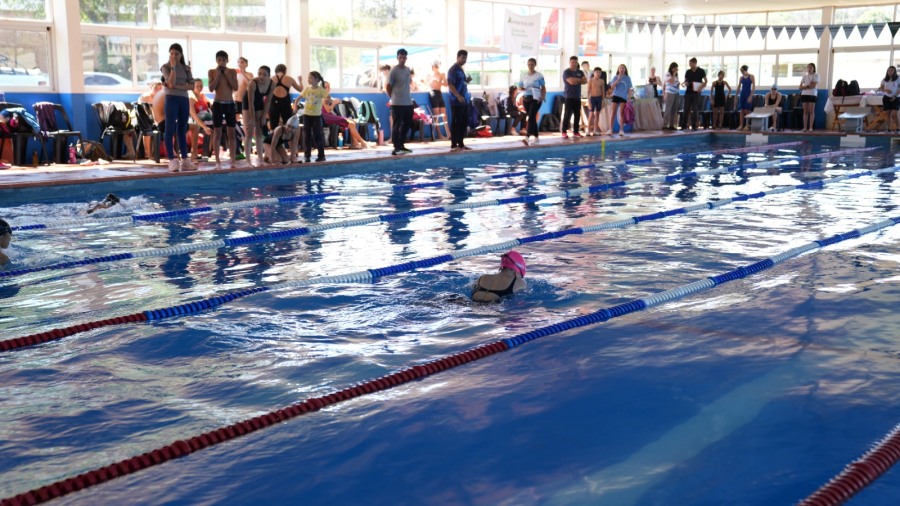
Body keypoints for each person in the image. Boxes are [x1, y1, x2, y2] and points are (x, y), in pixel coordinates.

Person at [160, 43, 195, 172]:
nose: (174, 56)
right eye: (171, 54)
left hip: (183, 99)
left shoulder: (186, 68)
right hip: (171, 99)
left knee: (182, 130)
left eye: (176, 54)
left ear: (181, 55)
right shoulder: (165, 67)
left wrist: (177, 86)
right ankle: (172, 160)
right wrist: (173, 68)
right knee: (169, 129)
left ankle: (185, 160)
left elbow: (192, 86)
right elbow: (170, 83)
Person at [207, 50, 241, 168]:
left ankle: (233, 160)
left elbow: (235, 87)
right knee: (217, 133)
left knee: (231, 133)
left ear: (227, 61)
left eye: (223, 60)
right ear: (216, 61)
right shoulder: (212, 72)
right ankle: (217, 161)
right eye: (219, 60)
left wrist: (226, 74)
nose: (221, 62)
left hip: (229, 104)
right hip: (217, 104)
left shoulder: (232, 71)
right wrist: (217, 75)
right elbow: (211, 88)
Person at [243, 65, 275, 167]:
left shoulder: (272, 84)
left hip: (259, 103)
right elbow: (250, 103)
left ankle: (260, 159)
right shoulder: (252, 83)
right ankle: (248, 161)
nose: (261, 76)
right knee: (249, 132)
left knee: (259, 132)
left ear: (269, 76)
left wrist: (264, 117)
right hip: (248, 104)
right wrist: (252, 120)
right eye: (260, 74)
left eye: (264, 75)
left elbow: (268, 102)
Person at [386, 48, 414, 156]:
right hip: (397, 103)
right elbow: (388, 86)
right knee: (397, 125)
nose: (402, 59)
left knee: (407, 123)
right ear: (397, 57)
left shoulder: (407, 70)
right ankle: (396, 147)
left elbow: (408, 84)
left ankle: (401, 145)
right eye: (400, 57)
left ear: (406, 58)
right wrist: (393, 97)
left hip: (408, 102)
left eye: (404, 57)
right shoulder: (394, 70)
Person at [300, 71, 329, 163]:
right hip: (306, 115)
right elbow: (299, 97)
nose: (309, 79)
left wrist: (328, 101)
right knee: (306, 136)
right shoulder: (307, 89)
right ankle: (307, 156)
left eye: (311, 78)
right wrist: (295, 105)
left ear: (317, 79)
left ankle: (321, 155)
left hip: (316, 116)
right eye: (308, 78)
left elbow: (328, 97)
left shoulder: (320, 90)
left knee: (318, 135)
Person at [447, 49, 471, 151]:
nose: (464, 60)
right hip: (456, 101)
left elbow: (460, 83)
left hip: (464, 100)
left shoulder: (461, 70)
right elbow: (450, 84)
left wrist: (467, 81)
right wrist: (458, 96)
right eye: (462, 58)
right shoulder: (453, 70)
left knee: (463, 123)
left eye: (465, 58)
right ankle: (453, 144)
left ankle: (461, 143)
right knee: (456, 122)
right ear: (457, 57)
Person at [519, 57, 546, 146]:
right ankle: (536, 138)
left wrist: (542, 97)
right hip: (526, 98)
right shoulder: (523, 75)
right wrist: (522, 88)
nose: (530, 66)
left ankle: (527, 137)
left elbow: (543, 88)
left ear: (535, 65)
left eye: (532, 64)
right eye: (529, 64)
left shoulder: (539, 75)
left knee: (531, 117)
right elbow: (520, 86)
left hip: (536, 99)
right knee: (532, 118)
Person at [269, 64, 303, 129]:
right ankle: (286, 135)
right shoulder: (289, 79)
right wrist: (300, 81)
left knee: (273, 125)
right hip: (285, 102)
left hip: (274, 102)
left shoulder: (271, 79)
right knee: (287, 124)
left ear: (276, 70)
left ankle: (274, 135)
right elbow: (300, 89)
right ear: (285, 71)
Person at [561, 55, 587, 139]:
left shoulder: (580, 72)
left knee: (577, 115)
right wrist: (579, 80)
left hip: (577, 97)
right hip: (569, 97)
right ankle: (564, 131)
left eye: (576, 62)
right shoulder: (566, 72)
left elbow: (585, 81)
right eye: (572, 62)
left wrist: (576, 80)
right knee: (567, 115)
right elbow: (571, 82)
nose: (574, 64)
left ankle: (576, 132)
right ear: (569, 62)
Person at [187, 79, 213, 164]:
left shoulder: (202, 96)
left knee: (219, 126)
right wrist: (204, 127)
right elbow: (193, 115)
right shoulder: (191, 98)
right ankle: (203, 154)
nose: (199, 88)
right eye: (197, 86)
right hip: (196, 121)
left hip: (206, 120)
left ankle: (210, 152)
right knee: (209, 129)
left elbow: (210, 103)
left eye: (201, 86)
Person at [137, 78, 163, 159]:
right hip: (141, 120)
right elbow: (145, 113)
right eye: (156, 88)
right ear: (151, 87)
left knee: (168, 126)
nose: (158, 90)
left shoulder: (160, 97)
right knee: (148, 129)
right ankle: (147, 153)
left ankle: (168, 152)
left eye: (160, 88)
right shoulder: (146, 97)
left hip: (152, 120)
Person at [607, 64, 633, 138]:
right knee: (613, 112)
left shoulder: (627, 78)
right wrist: (618, 80)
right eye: (620, 68)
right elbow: (611, 87)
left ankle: (621, 130)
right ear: (618, 70)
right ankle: (610, 129)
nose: (622, 69)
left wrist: (629, 97)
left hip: (623, 97)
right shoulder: (615, 77)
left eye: (623, 68)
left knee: (621, 113)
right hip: (615, 96)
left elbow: (629, 89)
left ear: (625, 70)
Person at [681, 57, 706, 131]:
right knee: (686, 109)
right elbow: (686, 80)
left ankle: (694, 125)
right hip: (688, 92)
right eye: (689, 63)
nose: (689, 65)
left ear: (695, 63)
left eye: (691, 63)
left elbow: (705, 81)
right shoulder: (688, 72)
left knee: (695, 109)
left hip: (696, 93)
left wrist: (701, 87)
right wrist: (685, 83)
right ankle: (684, 125)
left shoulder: (701, 71)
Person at [428, 60, 449, 139]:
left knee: (444, 114)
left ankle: (448, 133)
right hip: (433, 93)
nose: (435, 68)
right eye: (434, 66)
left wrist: (439, 82)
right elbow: (428, 85)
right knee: (436, 115)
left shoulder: (441, 74)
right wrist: (433, 81)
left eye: (436, 66)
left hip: (439, 93)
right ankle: (439, 134)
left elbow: (446, 84)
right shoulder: (429, 75)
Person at [799, 62, 819, 132]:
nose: (809, 69)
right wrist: (807, 86)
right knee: (805, 111)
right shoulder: (804, 76)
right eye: (808, 67)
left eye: (811, 67)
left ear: (814, 68)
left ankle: (810, 127)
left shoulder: (816, 75)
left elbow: (813, 86)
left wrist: (805, 87)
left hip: (812, 94)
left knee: (811, 111)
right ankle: (804, 127)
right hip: (804, 94)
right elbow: (800, 87)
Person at [879, 65, 899, 133]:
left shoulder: (898, 78)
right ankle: (888, 129)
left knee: (895, 114)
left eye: (892, 71)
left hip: (896, 97)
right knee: (888, 114)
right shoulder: (884, 80)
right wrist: (886, 90)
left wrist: (894, 96)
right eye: (889, 71)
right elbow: (880, 88)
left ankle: (898, 128)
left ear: (894, 72)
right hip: (886, 98)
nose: (890, 72)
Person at [586, 67, 605, 136]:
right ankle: (588, 130)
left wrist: (603, 100)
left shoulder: (602, 81)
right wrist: (588, 101)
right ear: (594, 73)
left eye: (599, 72)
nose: (598, 74)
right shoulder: (590, 80)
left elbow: (603, 91)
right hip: (592, 98)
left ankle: (595, 130)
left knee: (597, 114)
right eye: (597, 72)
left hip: (599, 98)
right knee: (591, 114)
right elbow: (588, 91)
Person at [737, 65, 756, 131]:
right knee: (741, 110)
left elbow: (754, 87)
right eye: (741, 71)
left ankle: (747, 125)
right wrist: (736, 95)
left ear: (745, 70)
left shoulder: (751, 76)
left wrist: (751, 96)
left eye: (742, 71)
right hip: (742, 94)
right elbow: (739, 87)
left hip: (748, 93)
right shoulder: (741, 78)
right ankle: (741, 125)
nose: (742, 72)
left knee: (747, 110)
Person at [663, 62, 680, 131]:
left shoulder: (676, 75)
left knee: (674, 110)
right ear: (672, 68)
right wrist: (673, 74)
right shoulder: (668, 74)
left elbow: (676, 83)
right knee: (668, 109)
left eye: (677, 69)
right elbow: (671, 81)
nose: (676, 70)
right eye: (675, 68)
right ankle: (665, 125)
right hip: (670, 93)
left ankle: (671, 125)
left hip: (676, 93)